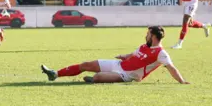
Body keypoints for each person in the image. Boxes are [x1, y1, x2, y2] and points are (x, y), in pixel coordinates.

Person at [41, 26, 189, 84]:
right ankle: (55, 74)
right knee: (86, 64)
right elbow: (133, 54)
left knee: (98, 77)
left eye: (148, 34)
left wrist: (182, 82)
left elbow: (171, 68)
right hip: (118, 65)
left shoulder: (161, 53)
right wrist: (124, 56)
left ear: (154, 37)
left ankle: (94, 79)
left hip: (126, 76)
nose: (146, 36)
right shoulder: (144, 46)